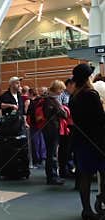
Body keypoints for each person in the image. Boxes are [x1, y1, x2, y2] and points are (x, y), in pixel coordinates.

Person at [69, 63, 105, 220]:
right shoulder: (91, 94)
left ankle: (87, 210)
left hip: (81, 140)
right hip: (97, 140)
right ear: (87, 77)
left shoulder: (74, 96)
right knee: (103, 173)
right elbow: (100, 119)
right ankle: (101, 199)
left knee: (85, 175)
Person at [41, 80, 67, 185]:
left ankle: (51, 176)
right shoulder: (52, 100)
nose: (62, 92)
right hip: (52, 129)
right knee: (52, 154)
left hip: (47, 129)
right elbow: (63, 114)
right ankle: (52, 177)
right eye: (61, 89)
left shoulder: (46, 98)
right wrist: (61, 109)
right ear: (57, 89)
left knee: (50, 153)